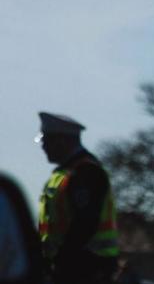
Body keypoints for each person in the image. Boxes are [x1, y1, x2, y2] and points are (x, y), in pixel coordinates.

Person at [36, 112, 119, 283]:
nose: (43, 147)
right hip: (70, 268)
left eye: (46, 141)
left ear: (62, 141)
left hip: (87, 269)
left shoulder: (86, 172)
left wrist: (61, 260)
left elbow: (85, 223)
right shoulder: (65, 173)